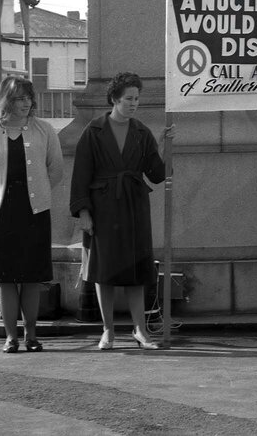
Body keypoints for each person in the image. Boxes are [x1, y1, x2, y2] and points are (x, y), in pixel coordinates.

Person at [69, 72, 173, 351]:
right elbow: (80, 175)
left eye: (137, 99)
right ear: (114, 99)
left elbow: (156, 174)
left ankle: (140, 330)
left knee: (138, 270)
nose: (134, 103)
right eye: (129, 98)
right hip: (103, 208)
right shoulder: (93, 130)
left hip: (134, 206)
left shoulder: (142, 132)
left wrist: (165, 147)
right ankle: (108, 331)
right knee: (105, 271)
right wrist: (84, 213)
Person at [0, 76, 64, 354]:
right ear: (6, 101)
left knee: (30, 277)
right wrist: (1, 194)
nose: (26, 103)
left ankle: (32, 335)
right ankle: (10, 336)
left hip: (34, 211)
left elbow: (56, 169)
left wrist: (37, 190)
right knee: (5, 277)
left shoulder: (45, 130)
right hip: (0, 213)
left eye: (28, 97)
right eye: (19, 98)